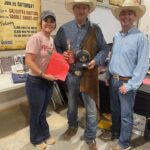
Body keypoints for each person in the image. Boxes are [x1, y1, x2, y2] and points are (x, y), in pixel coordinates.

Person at [54, 0, 109, 150]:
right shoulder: (64, 29)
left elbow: (104, 49)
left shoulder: (95, 29)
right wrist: (62, 54)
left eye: (84, 7)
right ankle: (72, 126)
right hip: (71, 74)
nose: (81, 10)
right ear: (73, 9)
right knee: (71, 105)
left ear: (88, 10)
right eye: (78, 7)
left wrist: (96, 61)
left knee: (91, 109)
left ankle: (91, 137)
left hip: (89, 75)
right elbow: (56, 48)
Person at [103, 0, 149, 150]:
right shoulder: (117, 36)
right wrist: (108, 74)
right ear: (119, 16)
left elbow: (143, 65)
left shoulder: (140, 37)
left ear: (135, 16)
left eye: (130, 13)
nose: (126, 16)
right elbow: (113, 57)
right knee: (114, 111)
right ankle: (115, 133)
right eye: (123, 13)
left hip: (126, 83)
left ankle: (124, 144)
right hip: (114, 80)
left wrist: (130, 85)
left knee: (126, 115)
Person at [25, 10, 58, 150]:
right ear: (41, 23)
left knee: (43, 111)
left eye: (52, 21)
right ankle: (36, 138)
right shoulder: (36, 38)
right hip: (36, 81)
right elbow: (29, 60)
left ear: (55, 25)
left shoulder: (51, 40)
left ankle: (45, 134)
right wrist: (44, 75)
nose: (49, 24)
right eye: (46, 20)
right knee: (36, 112)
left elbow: (54, 58)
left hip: (48, 81)